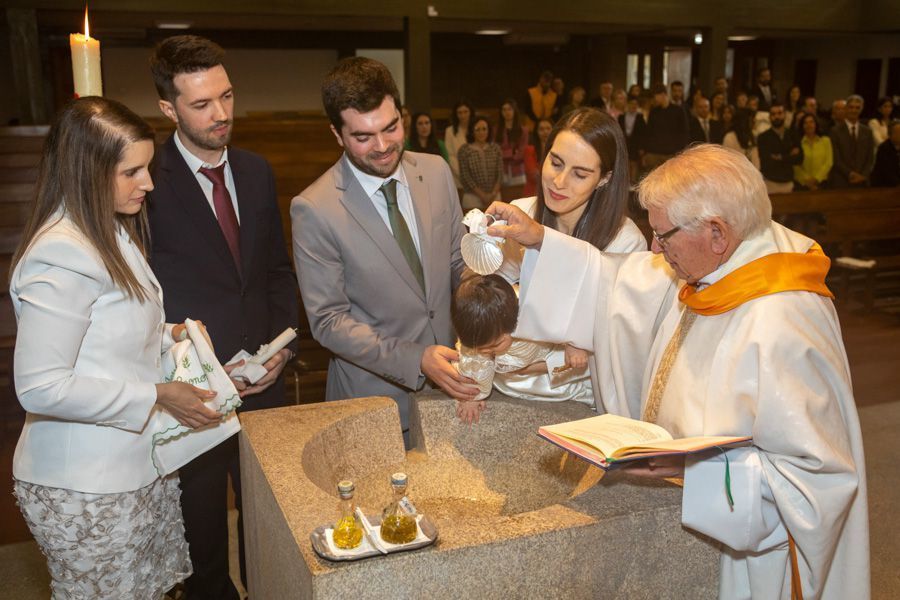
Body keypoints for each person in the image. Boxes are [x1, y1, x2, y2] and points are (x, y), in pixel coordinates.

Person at [487, 143, 869, 600]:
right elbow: (618, 279)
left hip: (759, 565)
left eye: (664, 236)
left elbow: (815, 481)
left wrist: (693, 468)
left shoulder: (780, 323)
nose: (654, 248)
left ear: (716, 232)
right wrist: (540, 240)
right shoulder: (724, 261)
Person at [9, 96, 223, 598]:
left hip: (131, 463)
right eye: (132, 171)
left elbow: (106, 331)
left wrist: (169, 334)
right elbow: (40, 387)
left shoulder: (109, 228)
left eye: (146, 168)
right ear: (87, 171)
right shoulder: (61, 252)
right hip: (86, 482)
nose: (147, 183)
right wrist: (158, 393)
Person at [148, 35, 298, 599]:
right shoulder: (147, 182)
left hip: (264, 382)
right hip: (197, 394)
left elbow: (276, 272)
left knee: (273, 529)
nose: (221, 114)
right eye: (202, 104)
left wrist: (282, 350)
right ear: (169, 109)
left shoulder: (256, 171)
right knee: (204, 537)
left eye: (227, 96)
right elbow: (146, 295)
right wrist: (191, 370)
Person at [291, 56, 476, 445]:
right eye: (363, 136)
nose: (383, 146)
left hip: (451, 392)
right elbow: (328, 321)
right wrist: (415, 359)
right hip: (373, 405)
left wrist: (487, 298)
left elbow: (458, 262)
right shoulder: (315, 208)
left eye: (391, 127)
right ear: (337, 134)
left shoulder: (437, 171)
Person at [496, 107, 647, 415]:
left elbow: (615, 341)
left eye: (580, 174)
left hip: (576, 395)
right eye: (555, 162)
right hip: (506, 381)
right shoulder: (521, 211)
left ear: (604, 178)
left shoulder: (625, 241)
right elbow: (494, 295)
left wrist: (542, 363)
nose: (559, 182)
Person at [450, 274, 592, 424]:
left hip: (549, 373)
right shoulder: (477, 335)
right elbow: (475, 366)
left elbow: (566, 316)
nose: (486, 352)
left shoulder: (533, 313)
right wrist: (474, 396)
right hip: (509, 382)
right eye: (479, 348)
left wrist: (573, 344)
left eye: (495, 345)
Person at [458, 116, 504, 209]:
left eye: (484, 129)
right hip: (472, 197)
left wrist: (493, 193)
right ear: (472, 131)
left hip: (494, 196)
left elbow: (500, 173)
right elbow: (465, 176)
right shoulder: (464, 150)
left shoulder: (495, 148)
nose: (481, 132)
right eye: (477, 129)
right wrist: (482, 195)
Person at [830, 94, 875, 188]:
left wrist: (863, 175)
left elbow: (870, 158)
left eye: (857, 107)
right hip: (841, 181)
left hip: (862, 181)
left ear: (861, 109)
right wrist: (850, 174)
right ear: (846, 109)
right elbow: (836, 158)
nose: (854, 110)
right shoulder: (835, 131)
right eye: (851, 107)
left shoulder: (868, 131)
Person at [757, 103, 803, 194]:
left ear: (785, 114)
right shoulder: (763, 137)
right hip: (770, 183)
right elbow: (766, 161)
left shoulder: (793, 135)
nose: (777, 116)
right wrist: (789, 155)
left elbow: (799, 159)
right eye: (773, 114)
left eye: (779, 113)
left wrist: (780, 157)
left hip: (789, 183)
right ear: (769, 117)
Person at [642, 83, 689, 171]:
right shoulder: (654, 112)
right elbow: (648, 132)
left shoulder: (678, 110)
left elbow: (684, 132)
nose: (654, 99)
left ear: (663, 94)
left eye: (655, 96)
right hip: (654, 153)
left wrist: (679, 151)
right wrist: (646, 152)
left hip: (671, 154)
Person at [496, 99, 529, 200]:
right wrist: (512, 153)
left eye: (509, 109)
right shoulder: (496, 130)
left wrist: (506, 154)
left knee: (518, 202)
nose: (507, 112)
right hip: (502, 171)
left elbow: (521, 152)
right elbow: (496, 153)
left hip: (518, 171)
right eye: (504, 109)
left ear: (514, 111)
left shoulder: (523, 130)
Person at [793, 112, 834, 191]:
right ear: (802, 126)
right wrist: (807, 180)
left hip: (823, 183)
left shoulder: (826, 140)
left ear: (816, 124)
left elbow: (829, 162)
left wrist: (817, 179)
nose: (809, 125)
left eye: (811, 122)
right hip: (803, 185)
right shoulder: (797, 143)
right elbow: (795, 165)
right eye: (805, 123)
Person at [444, 100, 474, 193]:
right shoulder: (450, 131)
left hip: (477, 177)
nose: (463, 115)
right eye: (460, 113)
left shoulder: (477, 129)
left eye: (465, 112)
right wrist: (464, 176)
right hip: (458, 178)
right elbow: (450, 156)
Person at [619, 95, 647, 183]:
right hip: (625, 143)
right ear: (627, 104)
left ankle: (633, 182)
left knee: (634, 163)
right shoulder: (621, 117)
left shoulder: (640, 117)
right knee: (626, 163)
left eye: (635, 104)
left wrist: (642, 147)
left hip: (636, 144)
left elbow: (643, 134)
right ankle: (625, 182)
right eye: (631, 103)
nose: (633, 106)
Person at [523, 118, 553, 196]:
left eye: (548, 128)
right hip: (533, 192)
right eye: (541, 129)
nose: (545, 132)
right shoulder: (529, 150)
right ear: (536, 132)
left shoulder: (559, 149)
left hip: (552, 191)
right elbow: (533, 174)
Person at [871, 120, 900, 187]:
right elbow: (886, 171)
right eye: (896, 132)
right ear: (890, 134)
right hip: (885, 185)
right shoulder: (883, 148)